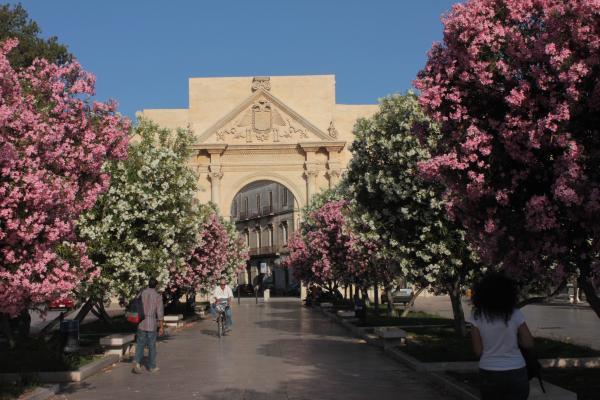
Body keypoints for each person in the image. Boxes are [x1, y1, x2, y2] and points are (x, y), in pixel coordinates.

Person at [470, 272, 535, 400]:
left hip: (489, 371)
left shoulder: (477, 317)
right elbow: (529, 343)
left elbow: (478, 351)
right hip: (516, 371)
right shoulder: (515, 314)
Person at [132, 277, 164, 374]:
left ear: (148, 284)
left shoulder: (141, 293)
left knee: (140, 344)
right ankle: (152, 366)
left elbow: (135, 304)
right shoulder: (158, 296)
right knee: (152, 345)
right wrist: (161, 326)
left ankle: (137, 362)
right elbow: (160, 312)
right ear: (156, 286)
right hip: (151, 323)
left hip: (141, 322)